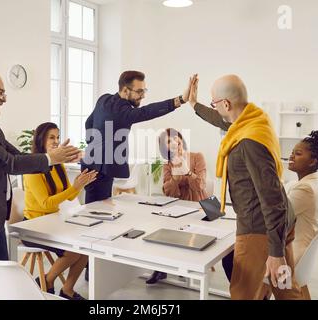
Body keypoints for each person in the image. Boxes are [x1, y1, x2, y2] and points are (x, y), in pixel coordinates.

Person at [0, 71, 82, 300]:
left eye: (4, 92)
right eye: (0, 92)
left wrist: (56, 157)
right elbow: (8, 163)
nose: (4, 98)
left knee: (0, 281)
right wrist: (52, 158)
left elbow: (18, 155)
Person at [189, 74, 306, 299]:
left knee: (243, 293)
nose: (215, 107)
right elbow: (221, 120)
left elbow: (270, 197)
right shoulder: (255, 120)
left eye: (215, 102)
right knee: (285, 289)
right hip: (280, 223)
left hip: (259, 230)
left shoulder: (248, 141)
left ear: (226, 104)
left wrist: (275, 252)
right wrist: (194, 104)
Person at [81, 71, 193, 205]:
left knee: (96, 208)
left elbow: (88, 123)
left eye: (144, 90)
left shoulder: (104, 99)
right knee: (96, 210)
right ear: (125, 90)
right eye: (139, 91)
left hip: (91, 163)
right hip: (100, 169)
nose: (143, 95)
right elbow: (147, 112)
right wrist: (180, 99)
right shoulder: (123, 112)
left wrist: (94, 146)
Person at [22, 122, 97, 300]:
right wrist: (74, 188)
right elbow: (46, 204)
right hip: (34, 226)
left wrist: (79, 185)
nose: (56, 141)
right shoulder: (33, 168)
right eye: (51, 137)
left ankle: (67, 290)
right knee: (73, 251)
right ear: (41, 140)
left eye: (57, 137)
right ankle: (46, 280)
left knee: (86, 247)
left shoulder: (57, 164)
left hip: (53, 222)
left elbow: (68, 197)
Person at [146, 128, 208, 285]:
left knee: (187, 229)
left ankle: (184, 265)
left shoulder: (197, 157)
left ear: (181, 139)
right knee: (163, 227)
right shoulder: (167, 165)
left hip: (199, 204)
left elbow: (200, 186)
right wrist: (174, 178)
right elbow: (169, 193)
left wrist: (187, 172)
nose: (173, 142)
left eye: (175, 138)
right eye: (168, 141)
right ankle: (161, 268)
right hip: (178, 205)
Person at [285, 130, 318, 299]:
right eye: (292, 152)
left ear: (313, 161)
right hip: (304, 253)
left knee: (234, 259)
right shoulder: (308, 183)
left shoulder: (305, 189)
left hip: (294, 255)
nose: (291, 156)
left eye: (298, 154)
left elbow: (278, 218)